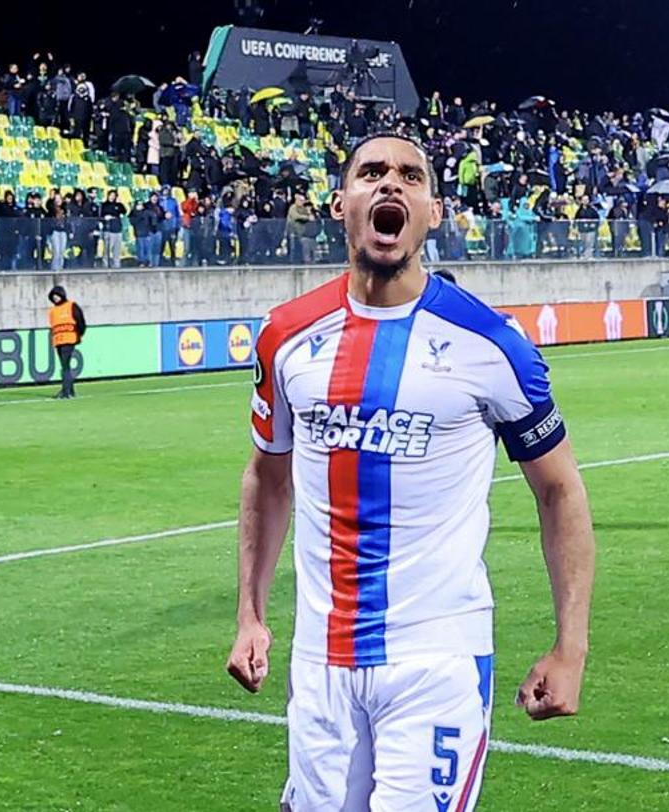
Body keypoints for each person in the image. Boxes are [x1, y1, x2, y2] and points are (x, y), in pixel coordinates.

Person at [226, 134, 595, 811]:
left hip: (436, 660)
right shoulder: (285, 337)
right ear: (341, 204)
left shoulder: (491, 344)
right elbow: (266, 477)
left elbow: (560, 489)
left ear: (433, 211)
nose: (389, 185)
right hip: (320, 661)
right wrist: (250, 614)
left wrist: (570, 648)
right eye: (371, 173)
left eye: (409, 176)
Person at [47, 285, 86, 400]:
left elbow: (80, 321)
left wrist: (79, 334)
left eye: (57, 296)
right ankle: (70, 391)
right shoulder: (52, 311)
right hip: (59, 340)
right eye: (53, 297)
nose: (55, 299)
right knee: (65, 366)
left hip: (69, 339)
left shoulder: (71, 306)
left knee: (65, 366)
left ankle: (65, 391)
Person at [100, 190, 126, 268]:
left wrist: (120, 202)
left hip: (118, 229)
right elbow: (101, 216)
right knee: (107, 250)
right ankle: (105, 265)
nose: (112, 197)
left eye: (114, 195)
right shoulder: (104, 205)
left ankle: (116, 265)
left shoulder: (118, 205)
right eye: (111, 195)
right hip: (108, 230)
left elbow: (124, 211)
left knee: (117, 250)